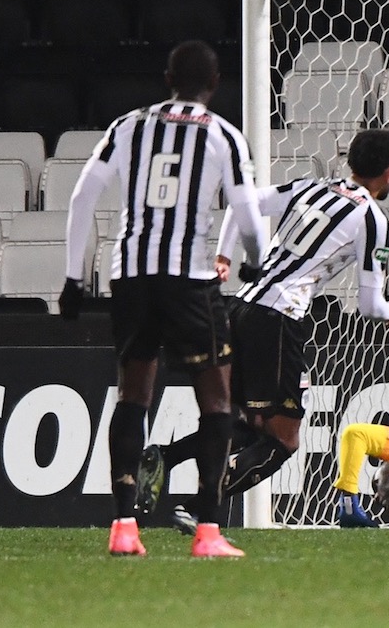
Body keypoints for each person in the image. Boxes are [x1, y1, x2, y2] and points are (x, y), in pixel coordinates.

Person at [136, 128, 389, 533]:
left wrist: (225, 254)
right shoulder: (373, 217)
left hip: (241, 307)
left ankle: (165, 456)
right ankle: (196, 508)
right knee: (284, 440)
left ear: (350, 163)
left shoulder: (310, 187)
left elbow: (241, 203)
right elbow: (369, 304)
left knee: (250, 425)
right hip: (278, 320)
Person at [59, 40, 269, 558]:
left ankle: (124, 527)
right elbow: (245, 209)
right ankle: (208, 532)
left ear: (168, 77)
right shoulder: (223, 135)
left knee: (133, 396)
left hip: (131, 275)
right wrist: (256, 259)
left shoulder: (129, 125)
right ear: (215, 84)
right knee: (217, 401)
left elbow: (83, 194)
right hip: (190, 279)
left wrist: (71, 277)